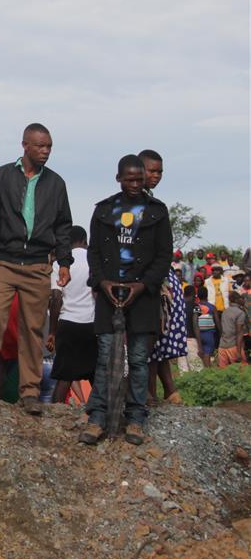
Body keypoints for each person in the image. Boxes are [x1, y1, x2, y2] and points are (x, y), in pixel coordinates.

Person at [0, 123, 73, 415]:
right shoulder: (2, 176)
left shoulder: (56, 183)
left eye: (49, 146)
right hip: (4, 260)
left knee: (32, 328)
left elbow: (63, 225)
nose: (45, 151)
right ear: (25, 146)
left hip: (38, 264)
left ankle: (29, 392)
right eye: (40, 146)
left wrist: (64, 262)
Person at [80, 155, 172, 446]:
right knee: (106, 357)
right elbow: (93, 252)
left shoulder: (157, 212)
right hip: (110, 294)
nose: (135, 184)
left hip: (142, 295)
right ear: (118, 178)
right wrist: (102, 282)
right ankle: (97, 418)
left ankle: (135, 418)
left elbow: (163, 256)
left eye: (139, 179)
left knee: (138, 359)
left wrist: (143, 285)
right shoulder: (104, 210)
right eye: (129, 179)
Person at [135, 149, 188, 405]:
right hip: (149, 276)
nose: (155, 176)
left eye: (159, 172)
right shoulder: (134, 203)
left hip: (157, 279)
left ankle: (156, 393)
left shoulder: (152, 204)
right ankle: (166, 391)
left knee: (154, 335)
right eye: (150, 171)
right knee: (152, 336)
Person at [46, 225, 96, 403]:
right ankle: (100, 415)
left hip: (67, 323)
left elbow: (55, 298)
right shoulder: (94, 260)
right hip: (92, 324)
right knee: (96, 375)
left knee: (64, 377)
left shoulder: (62, 263)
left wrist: (52, 332)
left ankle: (55, 415)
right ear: (85, 241)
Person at [217, 291, 246, 367]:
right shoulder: (240, 313)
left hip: (222, 346)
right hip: (233, 347)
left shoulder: (225, 312)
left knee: (223, 374)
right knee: (241, 373)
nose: (242, 300)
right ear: (237, 300)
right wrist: (239, 352)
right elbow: (239, 333)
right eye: (240, 298)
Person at [194, 286, 219, 367]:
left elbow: (195, 320)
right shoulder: (212, 307)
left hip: (199, 334)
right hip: (209, 334)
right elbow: (217, 322)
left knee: (202, 354)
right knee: (207, 353)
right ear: (207, 295)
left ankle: (205, 371)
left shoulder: (197, 307)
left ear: (198, 295)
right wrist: (221, 333)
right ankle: (207, 372)